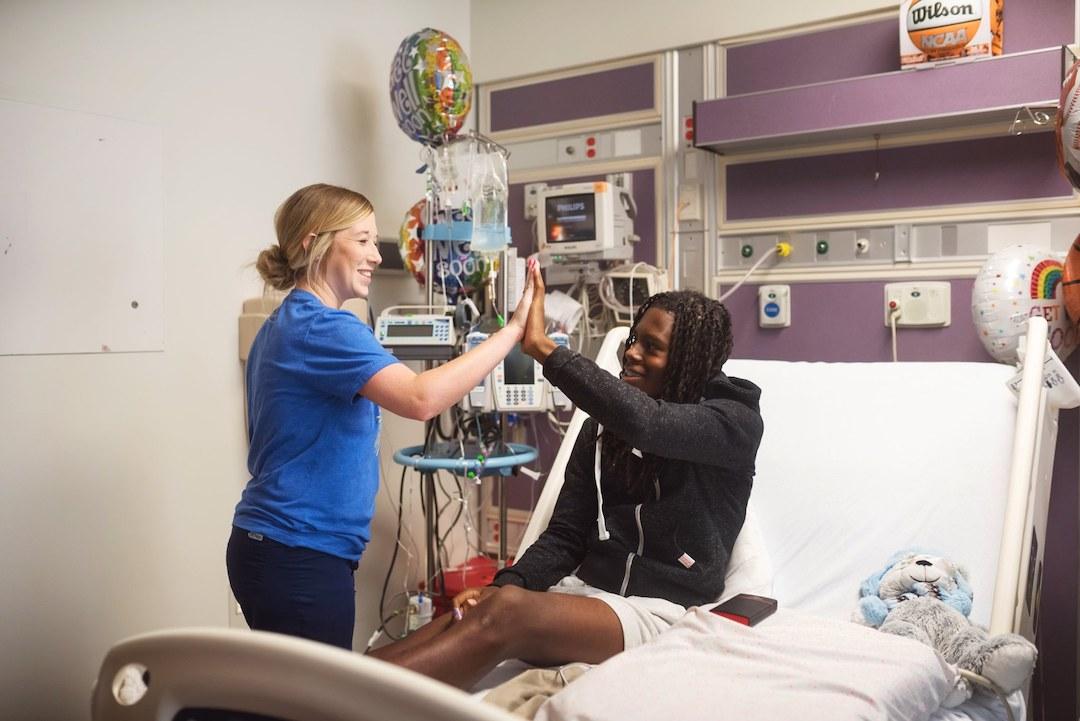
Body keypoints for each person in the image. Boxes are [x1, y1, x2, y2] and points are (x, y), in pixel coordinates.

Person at [368, 264, 763, 689]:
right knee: (477, 609)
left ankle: (354, 703)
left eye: (652, 347)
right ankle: (337, 689)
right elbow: (567, 534)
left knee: (506, 614)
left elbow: (650, 425)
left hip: (664, 611)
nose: (631, 353)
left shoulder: (733, 422)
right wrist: (506, 582)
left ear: (688, 361)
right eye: (633, 339)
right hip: (587, 595)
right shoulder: (603, 429)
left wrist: (542, 348)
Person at [227, 183, 537, 650]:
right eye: (363, 239)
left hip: (272, 546)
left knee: (296, 696)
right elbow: (421, 398)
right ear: (315, 243)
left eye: (376, 240)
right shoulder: (325, 327)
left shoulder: (283, 323)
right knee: (320, 703)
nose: (375, 254)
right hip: (298, 553)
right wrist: (512, 331)